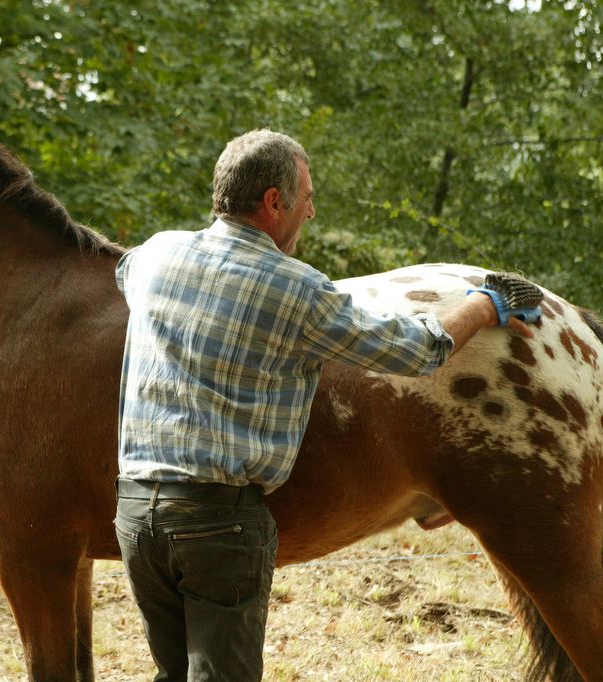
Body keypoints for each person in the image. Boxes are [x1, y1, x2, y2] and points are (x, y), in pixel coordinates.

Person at [113, 129, 539, 681]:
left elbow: (123, 274)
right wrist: (483, 307)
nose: (312, 212)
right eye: (308, 197)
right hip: (217, 524)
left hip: (136, 516)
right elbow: (415, 348)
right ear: (274, 202)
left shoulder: (156, 254)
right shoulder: (296, 290)